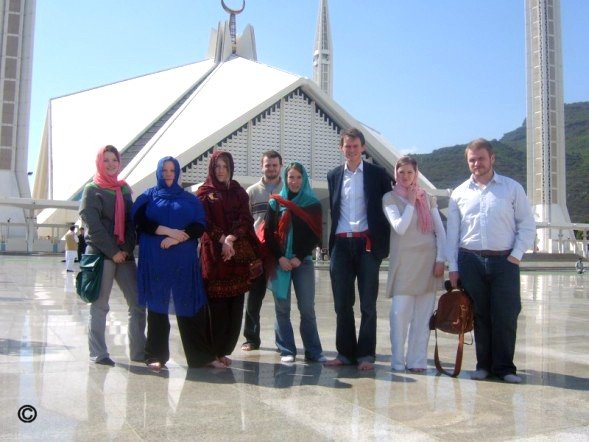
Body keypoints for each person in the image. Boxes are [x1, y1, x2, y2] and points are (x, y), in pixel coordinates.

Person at [447, 138, 535, 383]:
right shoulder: (459, 193)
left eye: (481, 158)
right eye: (472, 160)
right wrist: (453, 267)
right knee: (479, 315)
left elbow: (526, 225)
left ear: (492, 158)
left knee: (506, 314)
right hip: (470, 260)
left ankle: (505, 367)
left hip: (504, 261)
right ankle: (483, 365)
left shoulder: (511, 188)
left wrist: (516, 256)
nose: (477, 164)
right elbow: (452, 234)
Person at [326, 127, 392, 370]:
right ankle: (345, 353)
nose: (351, 150)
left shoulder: (377, 174)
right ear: (341, 148)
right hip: (341, 245)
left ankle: (366, 354)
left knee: (367, 304)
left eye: (355, 146)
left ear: (363, 148)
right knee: (342, 303)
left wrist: (381, 246)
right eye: (347, 146)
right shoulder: (334, 175)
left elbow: (390, 205)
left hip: (366, 244)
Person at [132, 156, 207, 370]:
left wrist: (175, 238)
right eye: (164, 170)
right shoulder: (148, 197)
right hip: (156, 261)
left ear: (177, 173)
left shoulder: (189, 198)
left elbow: (199, 225)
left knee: (188, 305)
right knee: (157, 307)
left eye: (172, 170)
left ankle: (200, 356)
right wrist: (167, 231)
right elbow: (140, 222)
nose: (168, 174)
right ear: (158, 171)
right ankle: (155, 354)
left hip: (183, 261)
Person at [79, 145, 146, 366]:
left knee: (137, 302)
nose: (110, 164)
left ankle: (138, 352)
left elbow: (130, 221)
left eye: (114, 160)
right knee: (100, 306)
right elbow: (93, 226)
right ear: (100, 162)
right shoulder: (92, 189)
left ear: (119, 163)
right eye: (106, 160)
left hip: (123, 255)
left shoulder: (124, 190)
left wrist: (125, 249)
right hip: (101, 255)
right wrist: (113, 251)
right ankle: (99, 353)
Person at [196, 151, 261, 368]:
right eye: (217, 167)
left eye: (225, 166)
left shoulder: (238, 192)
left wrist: (231, 239)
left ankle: (223, 351)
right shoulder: (204, 193)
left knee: (235, 307)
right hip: (214, 257)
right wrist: (222, 239)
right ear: (212, 169)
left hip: (236, 257)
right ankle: (212, 352)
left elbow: (246, 218)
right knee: (217, 308)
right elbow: (203, 220)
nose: (221, 170)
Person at [382, 156, 446, 372]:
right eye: (401, 172)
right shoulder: (389, 198)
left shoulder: (427, 198)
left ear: (416, 173)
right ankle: (398, 361)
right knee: (399, 314)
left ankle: (417, 360)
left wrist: (441, 259)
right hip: (404, 263)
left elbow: (440, 231)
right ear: (395, 174)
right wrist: (409, 202)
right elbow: (399, 227)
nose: (406, 176)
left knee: (423, 316)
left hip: (428, 262)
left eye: (410, 172)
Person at [264, 162, 326, 363]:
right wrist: (280, 257)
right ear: (286, 178)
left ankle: (314, 351)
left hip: (303, 262)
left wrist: (298, 256)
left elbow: (315, 235)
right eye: (291, 177)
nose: (295, 181)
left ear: (304, 179)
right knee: (282, 308)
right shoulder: (276, 202)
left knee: (307, 308)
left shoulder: (312, 203)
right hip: (280, 261)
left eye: (299, 177)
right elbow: (268, 233)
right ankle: (286, 349)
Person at [241, 150, 283, 352]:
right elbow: (245, 222)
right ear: (262, 166)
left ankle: (283, 342)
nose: (271, 168)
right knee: (254, 298)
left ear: (280, 167)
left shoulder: (288, 189)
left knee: (281, 298)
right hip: (257, 251)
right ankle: (251, 338)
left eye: (275, 165)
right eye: (268, 165)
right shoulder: (252, 191)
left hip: (280, 251)